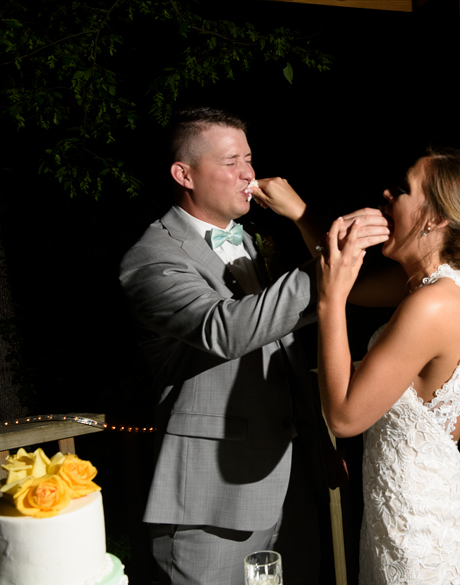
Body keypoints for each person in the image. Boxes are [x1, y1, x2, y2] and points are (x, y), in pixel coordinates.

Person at [119, 107, 388, 585]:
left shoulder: (246, 241)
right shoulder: (151, 258)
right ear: (184, 174)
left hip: (289, 474)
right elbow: (226, 330)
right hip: (213, 496)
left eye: (248, 158)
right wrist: (332, 256)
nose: (248, 174)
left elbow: (282, 347)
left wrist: (319, 442)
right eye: (230, 163)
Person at [314, 150, 460, 584]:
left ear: (435, 219)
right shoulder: (438, 285)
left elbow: (343, 416)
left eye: (405, 189)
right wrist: (302, 214)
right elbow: (354, 288)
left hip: (418, 536)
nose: (388, 195)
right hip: (401, 518)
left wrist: (327, 301)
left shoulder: (431, 305)